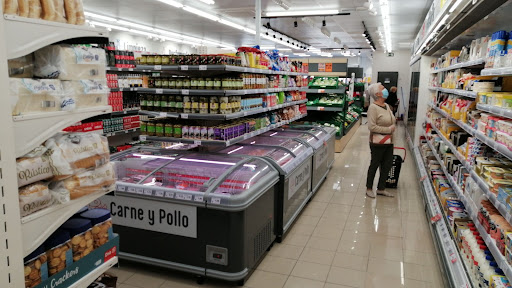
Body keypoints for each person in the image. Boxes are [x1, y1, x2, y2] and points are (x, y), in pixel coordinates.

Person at [366, 83, 396, 198]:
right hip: (377, 141)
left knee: (387, 164)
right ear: (377, 94)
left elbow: (391, 119)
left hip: (389, 141)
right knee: (375, 164)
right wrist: (388, 129)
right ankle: (369, 188)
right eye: (382, 88)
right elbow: (371, 127)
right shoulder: (373, 108)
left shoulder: (387, 106)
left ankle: (381, 188)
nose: (385, 90)